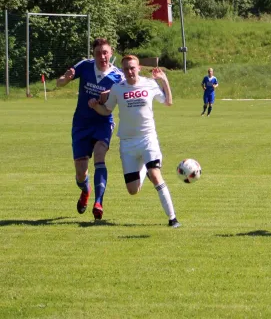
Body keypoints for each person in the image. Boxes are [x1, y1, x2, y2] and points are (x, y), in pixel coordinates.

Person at [88, 55, 180, 227]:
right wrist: (95, 106)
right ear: (123, 71)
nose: (130, 71)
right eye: (126, 69)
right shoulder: (117, 88)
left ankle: (173, 218)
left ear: (138, 68)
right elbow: (107, 110)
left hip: (147, 139)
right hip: (127, 143)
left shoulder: (150, 84)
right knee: (133, 190)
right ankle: (145, 166)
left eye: (132, 67)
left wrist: (164, 80)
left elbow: (168, 102)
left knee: (155, 175)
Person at [56, 38, 123, 220]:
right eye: (98, 53)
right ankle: (85, 190)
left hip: (103, 122)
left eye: (105, 52)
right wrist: (66, 79)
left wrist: (109, 95)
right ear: (93, 54)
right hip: (81, 124)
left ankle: (98, 202)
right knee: (80, 173)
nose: (102, 56)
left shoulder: (118, 76)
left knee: (100, 155)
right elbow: (59, 82)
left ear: (111, 53)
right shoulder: (85, 66)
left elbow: (126, 93)